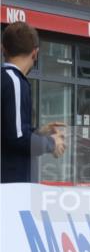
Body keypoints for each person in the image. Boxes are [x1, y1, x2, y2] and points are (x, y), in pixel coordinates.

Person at [1, 22, 66, 183]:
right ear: (35, 53)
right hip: (12, 185)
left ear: (3, 49)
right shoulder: (14, 82)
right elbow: (17, 138)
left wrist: (39, 133)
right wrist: (51, 143)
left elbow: (8, 132)